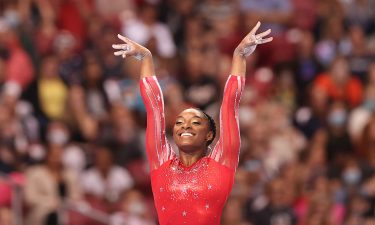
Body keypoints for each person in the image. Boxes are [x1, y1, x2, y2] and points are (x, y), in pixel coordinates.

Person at [112, 21, 273, 225]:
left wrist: (239, 57)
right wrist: (146, 59)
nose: (185, 125)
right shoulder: (162, 162)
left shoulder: (221, 163)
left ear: (209, 135)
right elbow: (154, 110)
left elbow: (229, 106)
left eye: (195, 122)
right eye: (179, 122)